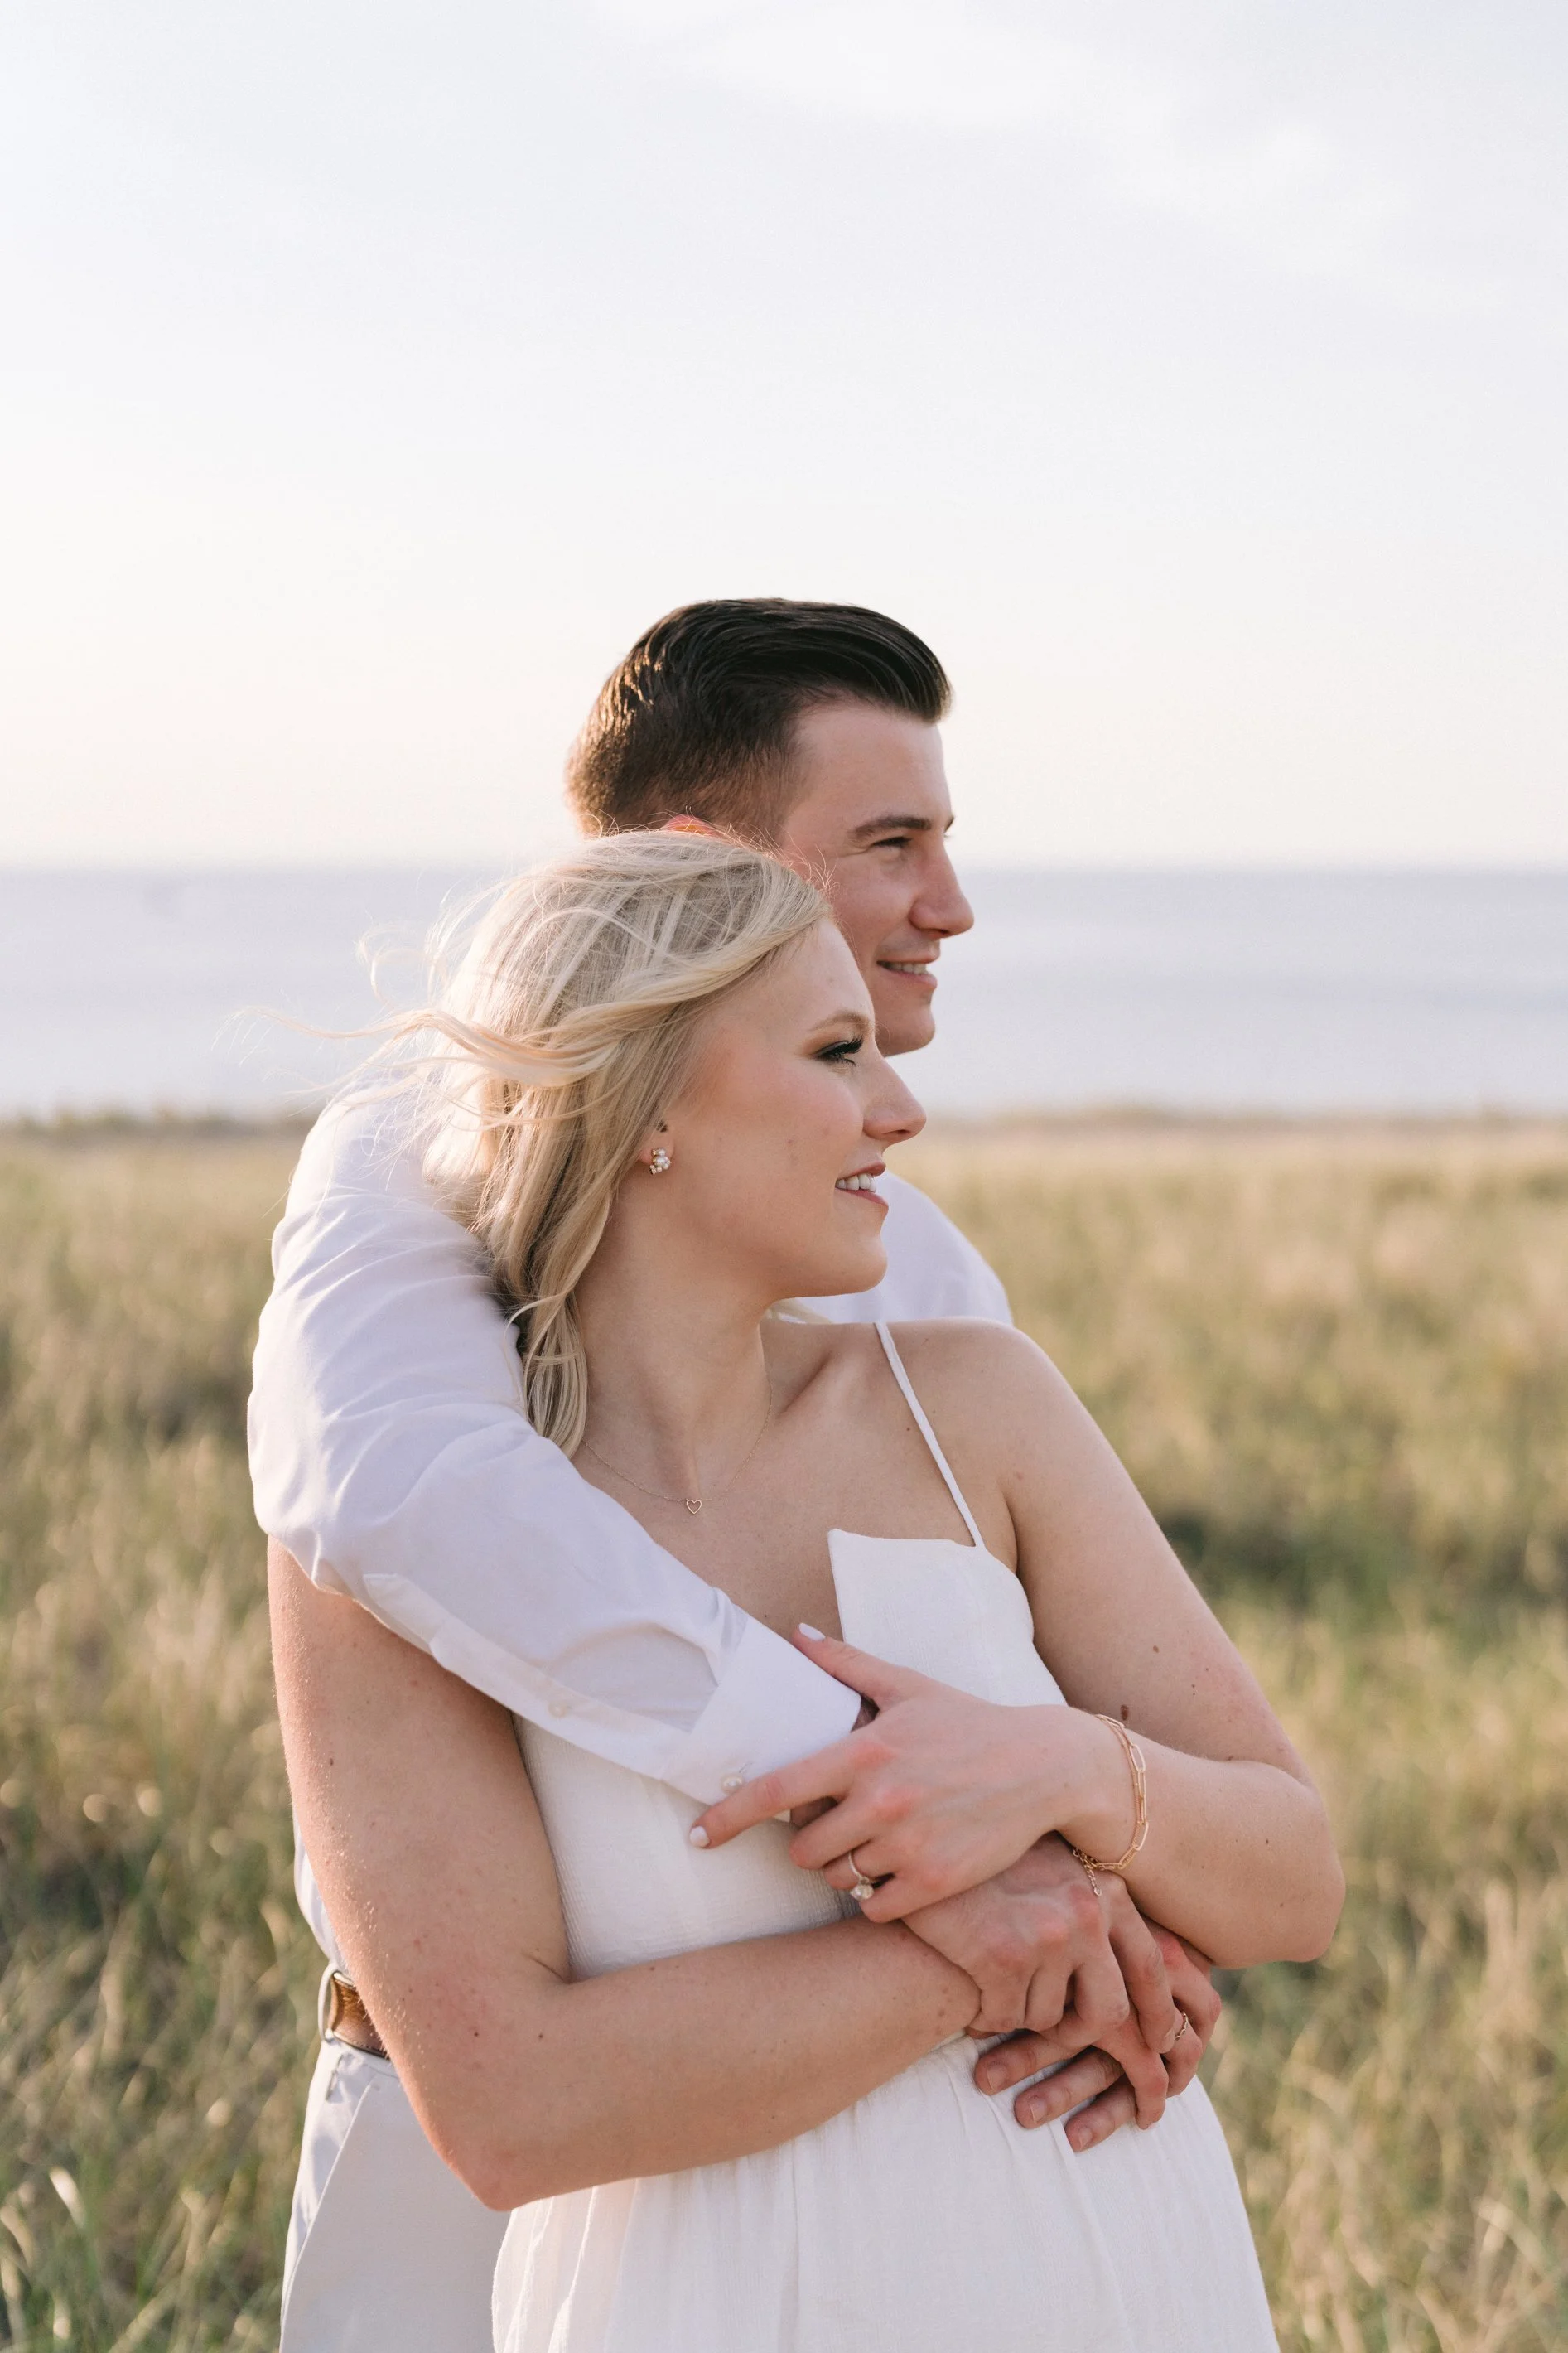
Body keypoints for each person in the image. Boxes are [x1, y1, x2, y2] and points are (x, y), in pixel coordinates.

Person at [251, 602, 1219, 2349]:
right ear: (689, 865)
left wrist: (1094, 1879)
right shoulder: (418, 1162)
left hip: (941, 2159)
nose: (950, 905)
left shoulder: (924, 1282)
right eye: (889, 843)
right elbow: (399, 1493)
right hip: (492, 2136)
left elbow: (1097, 1724)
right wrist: (919, 1833)